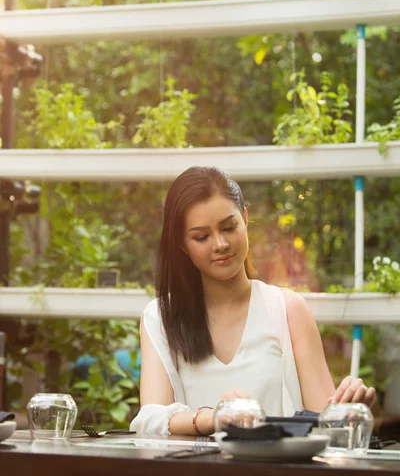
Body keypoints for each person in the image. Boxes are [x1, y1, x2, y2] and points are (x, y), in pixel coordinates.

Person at [130, 166, 375, 436]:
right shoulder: (160, 317)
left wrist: (349, 408)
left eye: (229, 227)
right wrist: (213, 419)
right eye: (201, 237)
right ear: (181, 245)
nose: (220, 244)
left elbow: (326, 423)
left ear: (245, 219)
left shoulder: (287, 309)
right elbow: (150, 417)